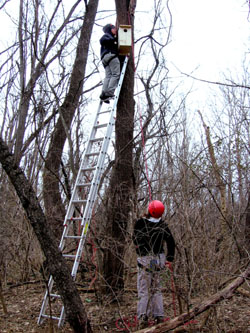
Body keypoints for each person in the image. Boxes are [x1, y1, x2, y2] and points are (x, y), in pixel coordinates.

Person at [132, 200, 175, 329]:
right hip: (158, 259)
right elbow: (171, 242)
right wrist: (169, 259)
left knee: (144, 290)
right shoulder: (163, 225)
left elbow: (135, 239)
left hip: (146, 260)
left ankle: (142, 317)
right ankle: (159, 316)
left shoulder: (141, 223)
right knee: (156, 289)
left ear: (150, 210)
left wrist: (140, 250)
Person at [99, 24, 120, 103]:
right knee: (115, 74)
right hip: (111, 56)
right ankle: (110, 93)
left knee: (108, 76)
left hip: (105, 59)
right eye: (114, 28)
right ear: (110, 29)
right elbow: (102, 40)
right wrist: (114, 40)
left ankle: (104, 94)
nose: (115, 30)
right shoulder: (107, 36)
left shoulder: (109, 37)